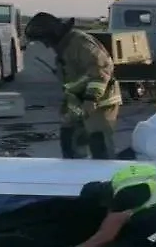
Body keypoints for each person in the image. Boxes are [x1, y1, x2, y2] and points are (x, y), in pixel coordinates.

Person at [23, 11, 122, 159]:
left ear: (52, 35)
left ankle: (105, 171)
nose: (46, 45)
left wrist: (91, 99)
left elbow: (100, 69)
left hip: (100, 103)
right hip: (78, 104)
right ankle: (75, 171)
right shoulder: (63, 47)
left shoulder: (80, 43)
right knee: (70, 141)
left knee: (99, 144)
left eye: (44, 41)